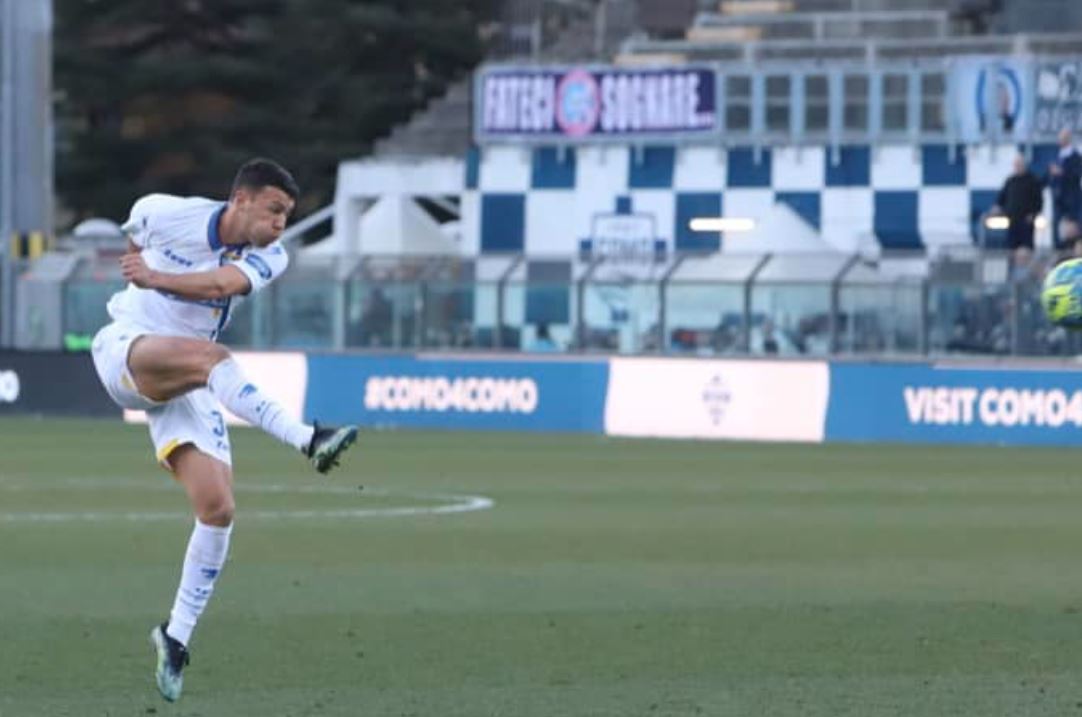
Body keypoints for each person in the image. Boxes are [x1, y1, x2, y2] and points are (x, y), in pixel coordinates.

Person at [89, 158, 359, 703]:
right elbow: (135, 228)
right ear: (240, 200)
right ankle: (307, 439)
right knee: (215, 358)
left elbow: (220, 282)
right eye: (274, 209)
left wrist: (154, 276)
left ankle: (175, 638)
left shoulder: (271, 255)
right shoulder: (168, 213)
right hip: (126, 347)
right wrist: (138, 269)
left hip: (187, 377)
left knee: (218, 508)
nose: (281, 223)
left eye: (287, 214)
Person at [991, 154, 1043, 271]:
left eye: (1020, 164)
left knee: (1027, 249)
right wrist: (997, 207)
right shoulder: (1010, 180)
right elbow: (1002, 197)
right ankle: (1011, 272)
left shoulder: (1033, 180)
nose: (1018, 167)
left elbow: (1038, 201)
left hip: (1026, 222)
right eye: (1016, 165)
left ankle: (1029, 272)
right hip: (1012, 220)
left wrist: (1033, 214)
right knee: (1011, 249)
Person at [1046, 128, 1082, 249]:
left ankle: (1076, 248)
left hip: (1072, 198)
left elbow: (1077, 174)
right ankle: (1058, 249)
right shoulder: (1055, 156)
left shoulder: (1076, 157)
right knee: (1056, 225)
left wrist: (1062, 172)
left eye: (1064, 137)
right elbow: (1048, 176)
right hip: (1058, 197)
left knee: (1075, 224)